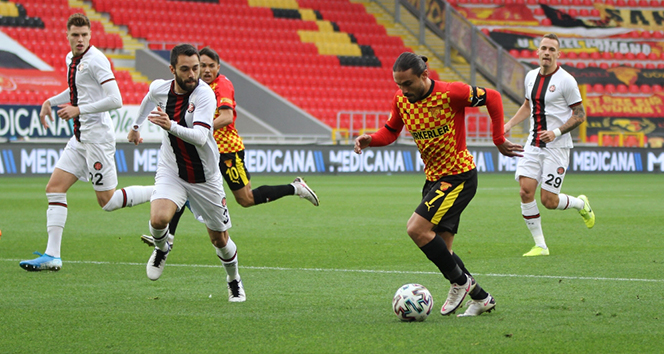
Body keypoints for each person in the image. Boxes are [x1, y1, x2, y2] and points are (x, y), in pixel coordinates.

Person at [354, 52, 523, 317]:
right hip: (434, 179)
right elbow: (390, 131)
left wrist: (499, 137)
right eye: (398, 84)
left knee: (416, 229)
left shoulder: (450, 93)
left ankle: (461, 283)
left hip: (458, 176)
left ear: (424, 75)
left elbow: (493, 97)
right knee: (444, 251)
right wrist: (371, 139)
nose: (403, 90)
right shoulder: (401, 100)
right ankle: (481, 298)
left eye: (407, 83)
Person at [141, 47, 318, 247]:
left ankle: (295, 188)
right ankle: (168, 235)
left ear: (218, 67)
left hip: (227, 150)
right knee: (182, 180)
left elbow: (225, 117)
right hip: (202, 152)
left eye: (210, 66)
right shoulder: (192, 90)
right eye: (203, 66)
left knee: (246, 198)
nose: (206, 71)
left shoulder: (221, 85)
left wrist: (201, 129)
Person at [19, 13, 153, 272]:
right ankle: (52, 255)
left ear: (90, 35)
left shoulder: (96, 60)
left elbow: (116, 99)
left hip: (98, 140)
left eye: (84, 35)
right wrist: (50, 101)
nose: (79, 40)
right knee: (54, 188)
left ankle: (162, 191)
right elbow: (76, 91)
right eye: (75, 35)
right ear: (66, 36)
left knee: (108, 202)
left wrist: (79, 110)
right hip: (80, 138)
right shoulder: (72, 59)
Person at [127, 44, 245, 302]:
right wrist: (136, 126)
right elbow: (149, 97)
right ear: (173, 70)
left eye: (196, 68)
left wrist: (171, 125)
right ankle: (161, 248)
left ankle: (233, 279)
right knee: (158, 220)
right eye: (186, 69)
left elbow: (202, 137)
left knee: (220, 240)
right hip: (172, 170)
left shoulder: (204, 95)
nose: (194, 74)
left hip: (205, 177)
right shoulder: (161, 88)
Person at [504, 33, 595, 257]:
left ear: (558, 54)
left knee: (549, 201)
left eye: (552, 49)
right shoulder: (530, 77)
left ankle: (580, 204)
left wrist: (555, 132)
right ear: (538, 52)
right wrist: (509, 124)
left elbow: (580, 114)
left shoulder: (566, 80)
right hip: (533, 145)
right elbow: (527, 105)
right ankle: (540, 246)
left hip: (557, 147)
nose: (547, 52)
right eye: (544, 48)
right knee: (526, 192)